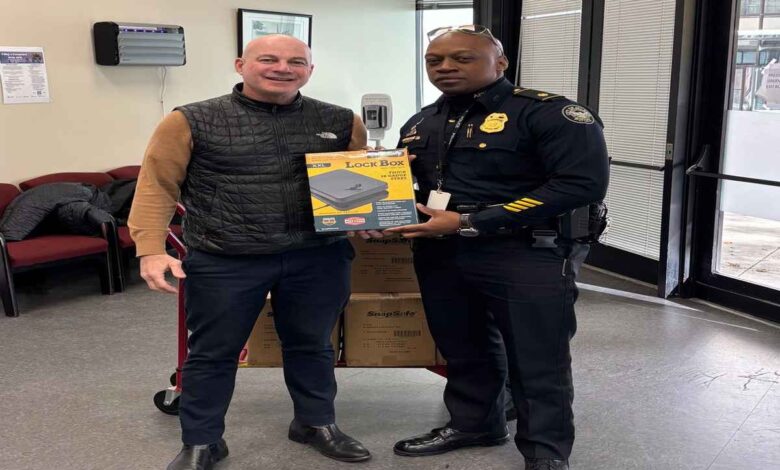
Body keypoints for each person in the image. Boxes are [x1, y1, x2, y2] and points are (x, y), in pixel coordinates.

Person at [128, 34, 371, 470]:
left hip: (316, 256)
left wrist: (373, 211)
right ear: (241, 65)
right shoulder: (189, 120)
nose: (283, 68)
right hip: (225, 258)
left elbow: (357, 182)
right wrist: (150, 248)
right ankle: (202, 441)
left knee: (313, 345)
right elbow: (157, 186)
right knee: (212, 352)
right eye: (269, 59)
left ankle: (315, 422)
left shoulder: (341, 120)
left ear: (310, 70)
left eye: (296, 61)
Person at [381, 25, 610, 470]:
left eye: (462, 58)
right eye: (434, 60)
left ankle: (545, 451)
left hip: (527, 251)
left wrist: (471, 221)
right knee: (463, 347)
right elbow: (409, 187)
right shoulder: (422, 121)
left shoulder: (550, 114)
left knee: (537, 356)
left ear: (500, 62)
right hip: (443, 251)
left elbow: (580, 184)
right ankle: (475, 423)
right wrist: (381, 214)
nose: (445, 67)